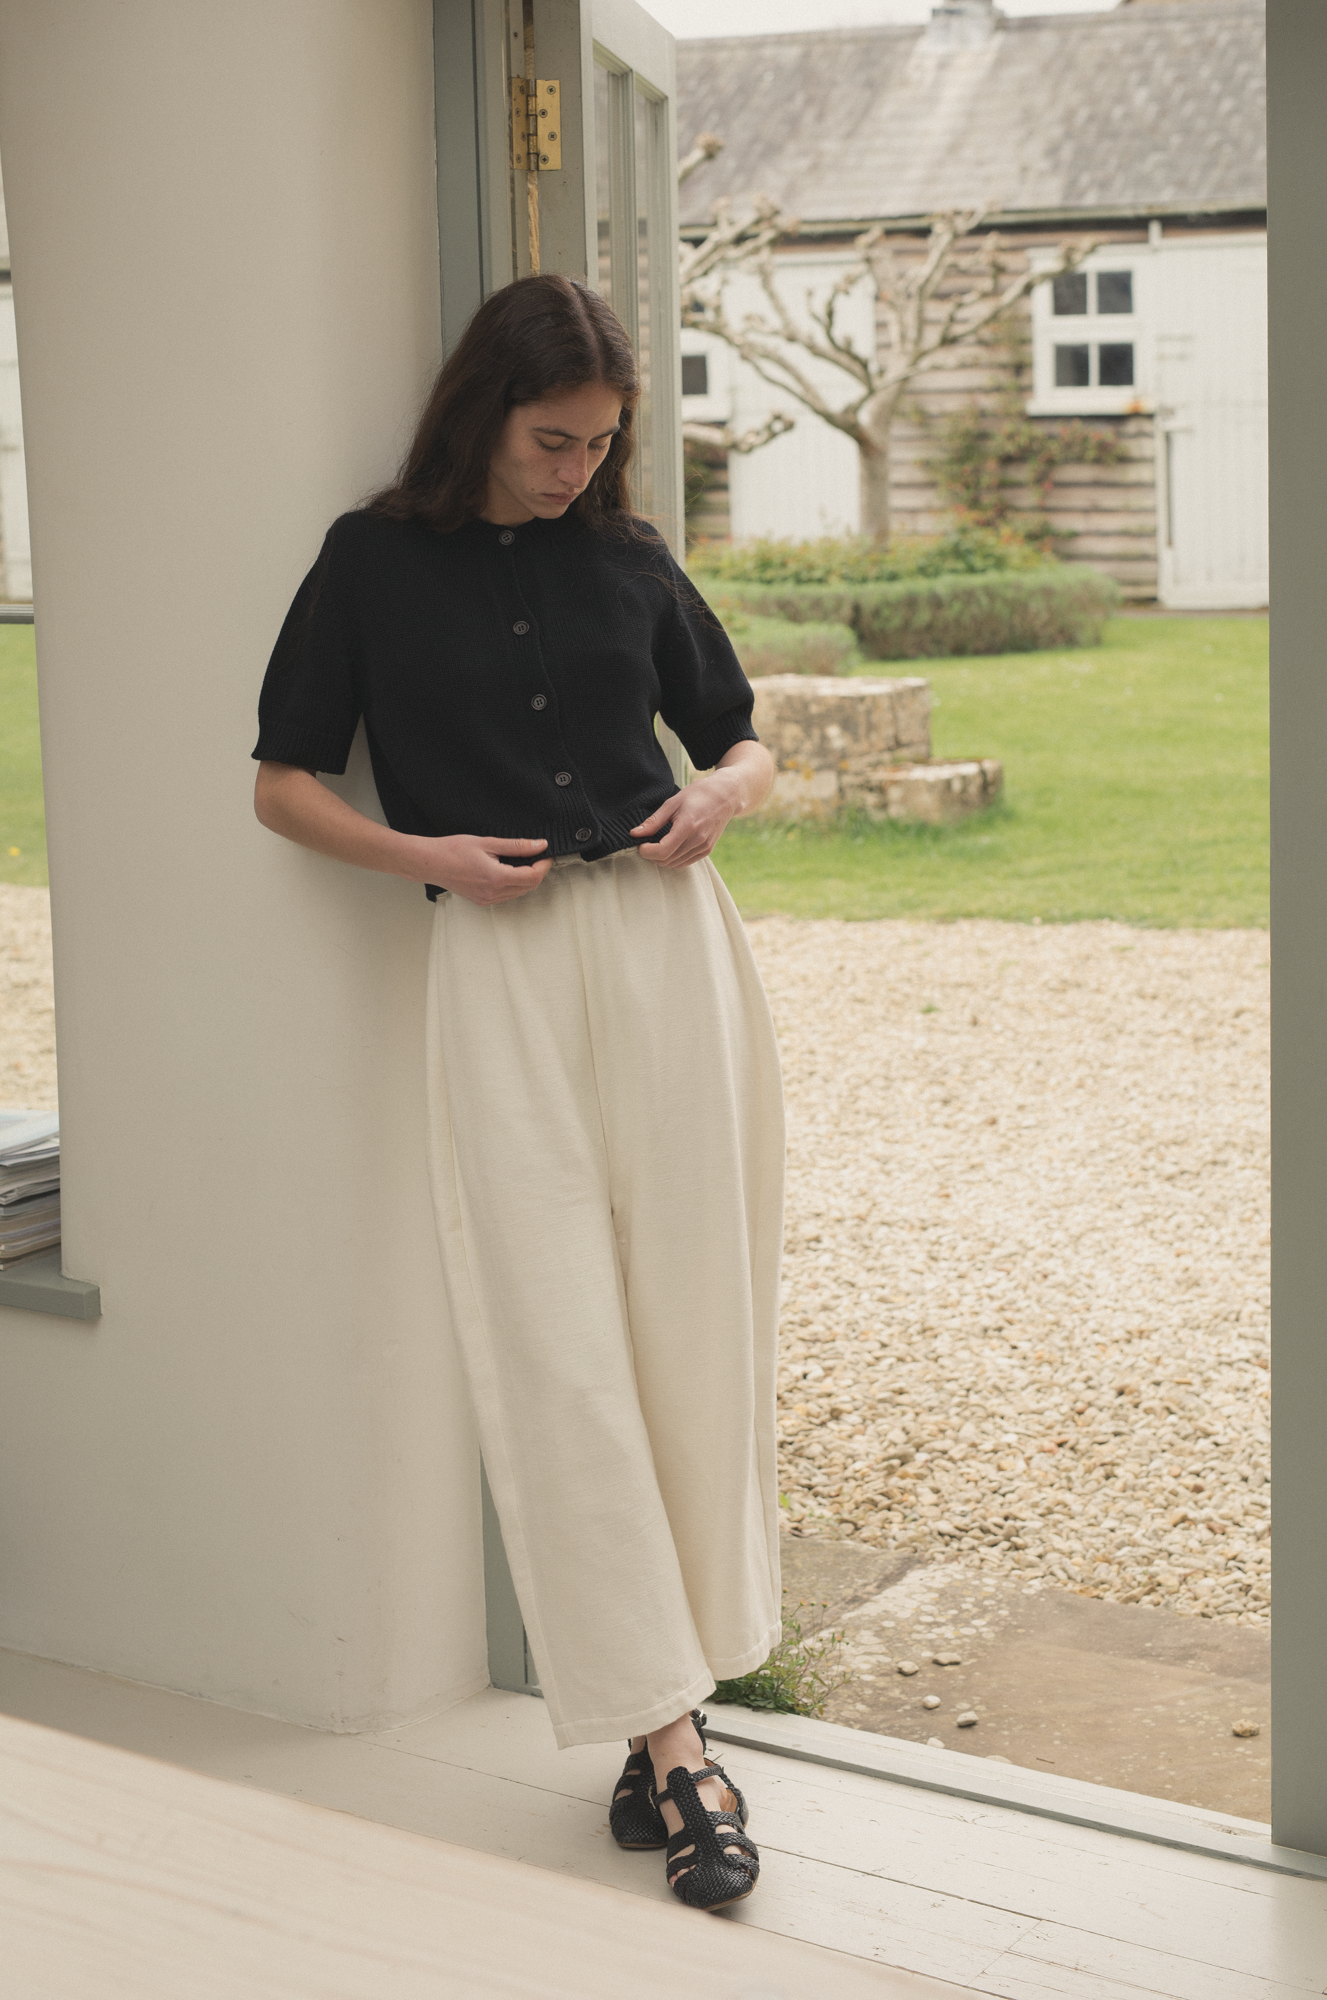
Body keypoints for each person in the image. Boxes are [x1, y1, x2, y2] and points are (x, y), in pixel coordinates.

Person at [252, 274, 784, 1913]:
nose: (575, 470)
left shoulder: (625, 557)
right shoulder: (369, 564)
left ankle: (664, 1731)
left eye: (600, 444)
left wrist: (720, 800)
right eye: (553, 440)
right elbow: (279, 781)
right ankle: (676, 1741)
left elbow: (744, 736)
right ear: (481, 411)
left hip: (665, 947)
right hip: (498, 960)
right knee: (556, 1340)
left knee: (692, 1312)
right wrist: (419, 854)